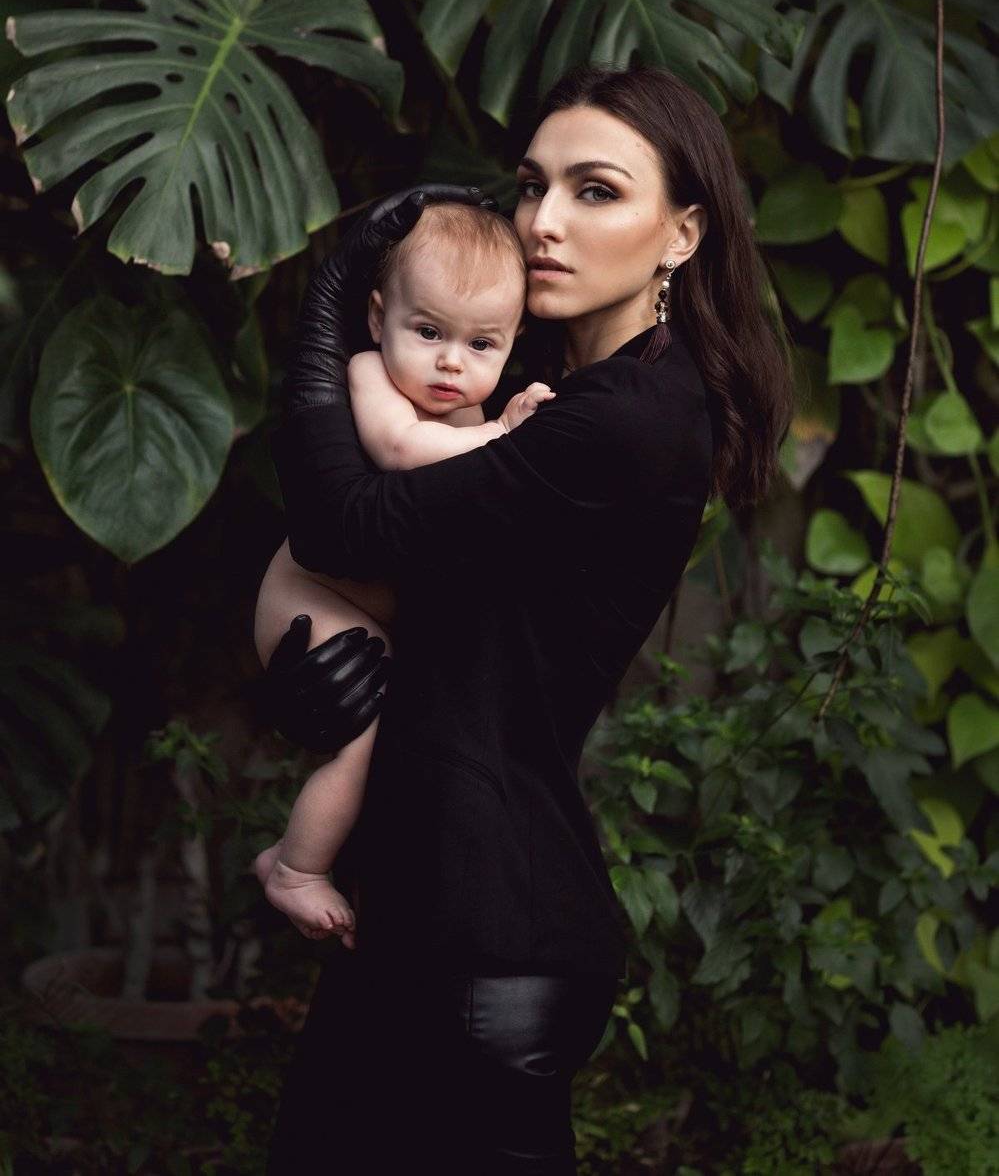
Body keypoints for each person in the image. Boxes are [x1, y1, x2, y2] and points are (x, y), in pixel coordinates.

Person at [257, 65, 793, 1174]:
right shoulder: (546, 386)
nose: (543, 221)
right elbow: (446, 613)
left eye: (595, 190)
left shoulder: (625, 419)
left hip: (483, 934)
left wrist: (339, 289)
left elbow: (342, 525)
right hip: (435, 908)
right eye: (532, 184)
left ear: (682, 234)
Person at [251, 203, 555, 945]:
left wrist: (498, 426)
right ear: (377, 317)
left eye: (481, 343)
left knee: (409, 744)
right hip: (310, 595)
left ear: (513, 341)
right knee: (363, 743)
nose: (451, 362)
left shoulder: (477, 412)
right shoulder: (371, 378)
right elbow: (398, 449)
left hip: (379, 613)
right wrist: (502, 436)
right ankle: (292, 868)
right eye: (428, 332)